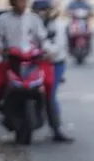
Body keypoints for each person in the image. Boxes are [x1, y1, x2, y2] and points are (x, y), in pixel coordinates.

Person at [0, 0, 71, 143]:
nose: (22, 4)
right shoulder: (2, 19)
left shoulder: (34, 19)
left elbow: (43, 40)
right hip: (10, 61)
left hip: (32, 62)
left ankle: (56, 128)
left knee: (48, 88)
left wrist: (48, 51)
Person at [32, 0, 73, 142]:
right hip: (33, 62)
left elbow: (58, 47)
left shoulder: (58, 26)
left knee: (50, 95)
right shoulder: (30, 23)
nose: (42, 13)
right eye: (39, 10)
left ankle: (56, 128)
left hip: (54, 64)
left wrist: (45, 52)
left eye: (45, 9)